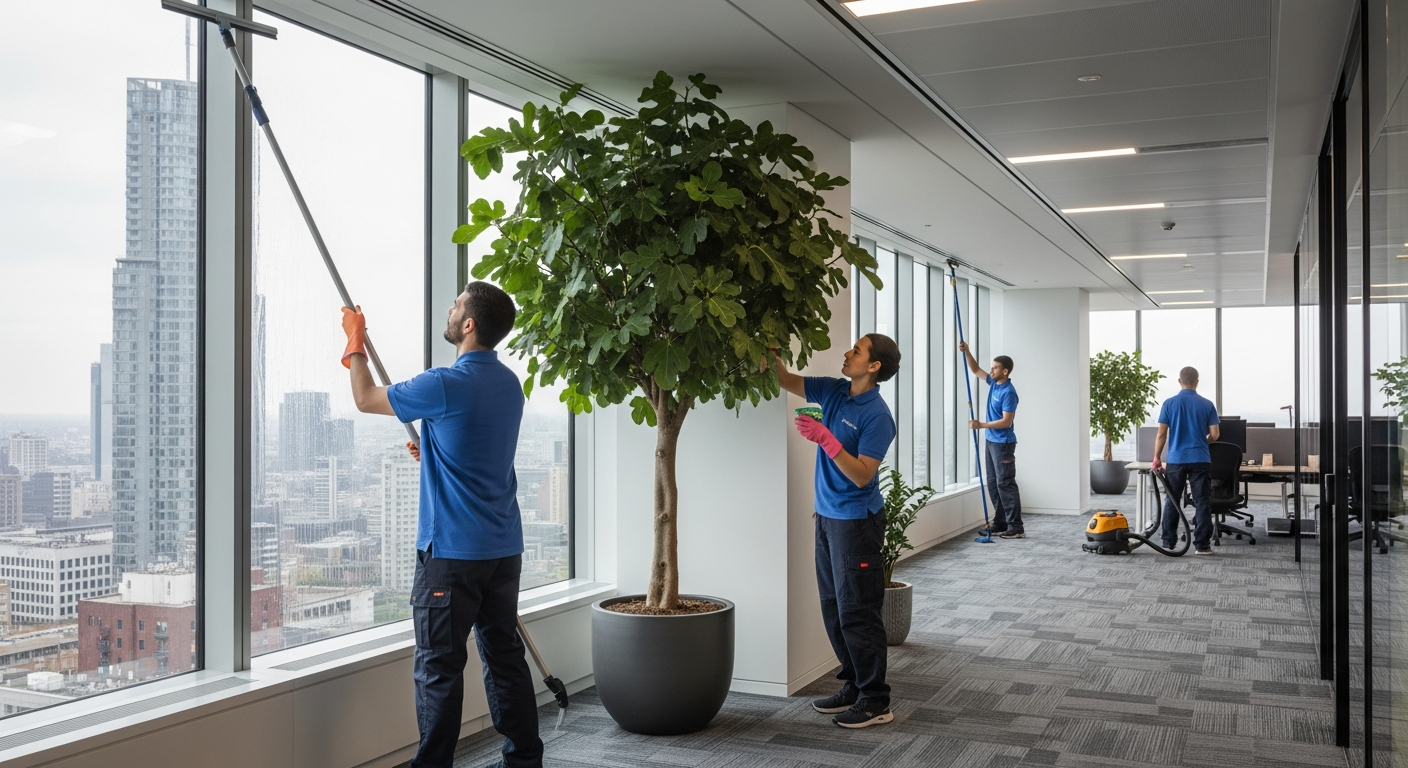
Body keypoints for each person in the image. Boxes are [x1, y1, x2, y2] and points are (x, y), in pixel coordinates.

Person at [341, 281, 543, 768]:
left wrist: (354, 343)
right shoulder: (509, 385)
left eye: (456, 306)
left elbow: (367, 398)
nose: (449, 311)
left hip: (452, 556)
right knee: (503, 657)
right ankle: (524, 760)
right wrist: (431, 448)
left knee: (439, 668)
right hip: (502, 549)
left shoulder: (443, 383)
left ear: (468, 324)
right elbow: (477, 450)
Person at [766, 334, 899, 729]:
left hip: (856, 522)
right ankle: (855, 685)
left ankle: (876, 699)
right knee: (833, 606)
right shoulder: (834, 390)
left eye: (856, 351)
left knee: (858, 610)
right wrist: (768, 348)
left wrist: (824, 438)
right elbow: (786, 379)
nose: (847, 353)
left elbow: (861, 476)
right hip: (826, 516)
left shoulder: (878, 416)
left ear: (873, 366)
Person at [1152, 366, 1221, 556]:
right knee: (1202, 502)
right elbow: (1215, 434)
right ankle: (1202, 546)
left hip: (1176, 459)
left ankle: (1168, 543)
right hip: (1200, 458)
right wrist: (1202, 440)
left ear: (1179, 381)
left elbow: (1161, 435)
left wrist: (1157, 458)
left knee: (1172, 501)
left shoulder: (1169, 403)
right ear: (1197, 382)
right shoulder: (1207, 404)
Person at [958, 342, 1023, 539]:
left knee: (1006, 483)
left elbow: (1006, 421)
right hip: (991, 441)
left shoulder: (1008, 392)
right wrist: (967, 351)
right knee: (994, 483)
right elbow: (976, 369)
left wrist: (981, 425)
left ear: (1005, 371)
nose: (991, 370)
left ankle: (1016, 527)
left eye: (995, 368)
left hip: (1003, 444)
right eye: (992, 367)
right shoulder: (994, 383)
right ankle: (1000, 523)